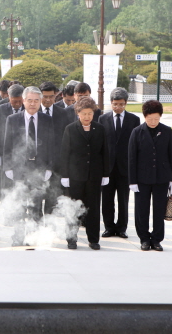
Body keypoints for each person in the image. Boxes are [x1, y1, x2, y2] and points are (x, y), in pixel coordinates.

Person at [3, 86, 54, 246]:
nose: (33, 104)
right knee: (19, 204)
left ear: (40, 102)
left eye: (36, 101)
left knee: (36, 205)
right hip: (19, 168)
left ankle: (33, 238)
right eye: (30, 100)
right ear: (23, 101)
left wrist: (49, 167)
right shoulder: (13, 119)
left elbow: (51, 145)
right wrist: (8, 167)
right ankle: (18, 237)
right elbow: (7, 145)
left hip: (38, 169)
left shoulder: (47, 120)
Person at [60, 96, 109, 250]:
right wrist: (64, 175)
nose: (87, 117)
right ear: (78, 113)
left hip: (94, 176)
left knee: (93, 209)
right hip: (75, 176)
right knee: (73, 208)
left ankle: (93, 239)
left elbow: (105, 152)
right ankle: (71, 239)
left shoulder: (100, 129)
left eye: (90, 113)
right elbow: (65, 153)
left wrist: (105, 174)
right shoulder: (70, 129)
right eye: (84, 113)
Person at [128, 100, 172, 252]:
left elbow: (171, 155)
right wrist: (132, 181)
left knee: (159, 209)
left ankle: (156, 239)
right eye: (150, 119)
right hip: (142, 178)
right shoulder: (137, 132)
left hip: (162, 177)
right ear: (144, 116)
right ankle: (144, 239)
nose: (153, 122)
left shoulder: (167, 131)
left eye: (156, 118)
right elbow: (132, 158)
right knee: (142, 210)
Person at [99, 87, 141, 239]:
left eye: (121, 104)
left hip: (125, 167)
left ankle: (122, 228)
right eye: (115, 104)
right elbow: (101, 144)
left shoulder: (134, 120)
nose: (118, 107)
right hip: (108, 168)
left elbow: (136, 144)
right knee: (107, 200)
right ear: (111, 103)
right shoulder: (103, 119)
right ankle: (109, 227)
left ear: (126, 103)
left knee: (123, 200)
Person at [39, 81, 69, 216]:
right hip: (38, 163)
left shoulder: (62, 113)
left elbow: (66, 139)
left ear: (56, 95)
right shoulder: (33, 112)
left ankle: (50, 224)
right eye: (45, 96)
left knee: (53, 197)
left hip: (57, 163)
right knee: (36, 197)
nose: (48, 99)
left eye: (51, 96)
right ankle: (37, 225)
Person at [0, 84, 24, 201]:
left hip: (23, 150)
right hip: (6, 150)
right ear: (9, 98)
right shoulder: (0, 109)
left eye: (20, 101)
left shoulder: (28, 109)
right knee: (7, 182)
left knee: (21, 184)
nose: (17, 104)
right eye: (14, 101)